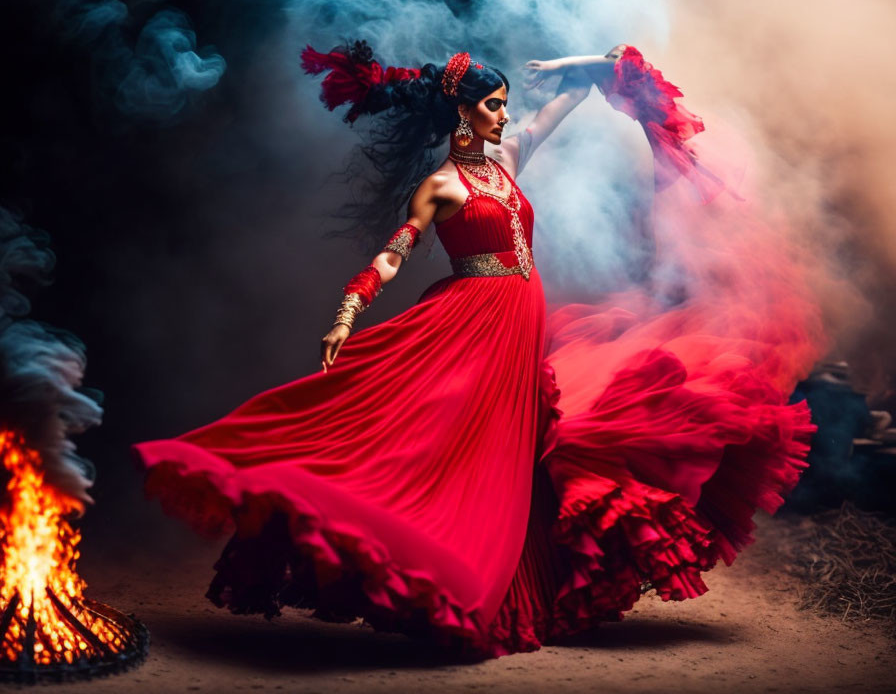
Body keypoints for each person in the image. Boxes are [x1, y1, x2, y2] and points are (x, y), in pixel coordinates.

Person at [133, 41, 820, 657]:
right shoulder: (444, 186)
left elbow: (577, 97)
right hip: (471, 320)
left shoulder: (509, 160)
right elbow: (396, 253)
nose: (502, 115)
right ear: (463, 112)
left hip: (520, 321)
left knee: (513, 451)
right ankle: (449, 575)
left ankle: (504, 574)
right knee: (443, 446)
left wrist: (569, 68)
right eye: (492, 106)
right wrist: (348, 308)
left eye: (503, 106)